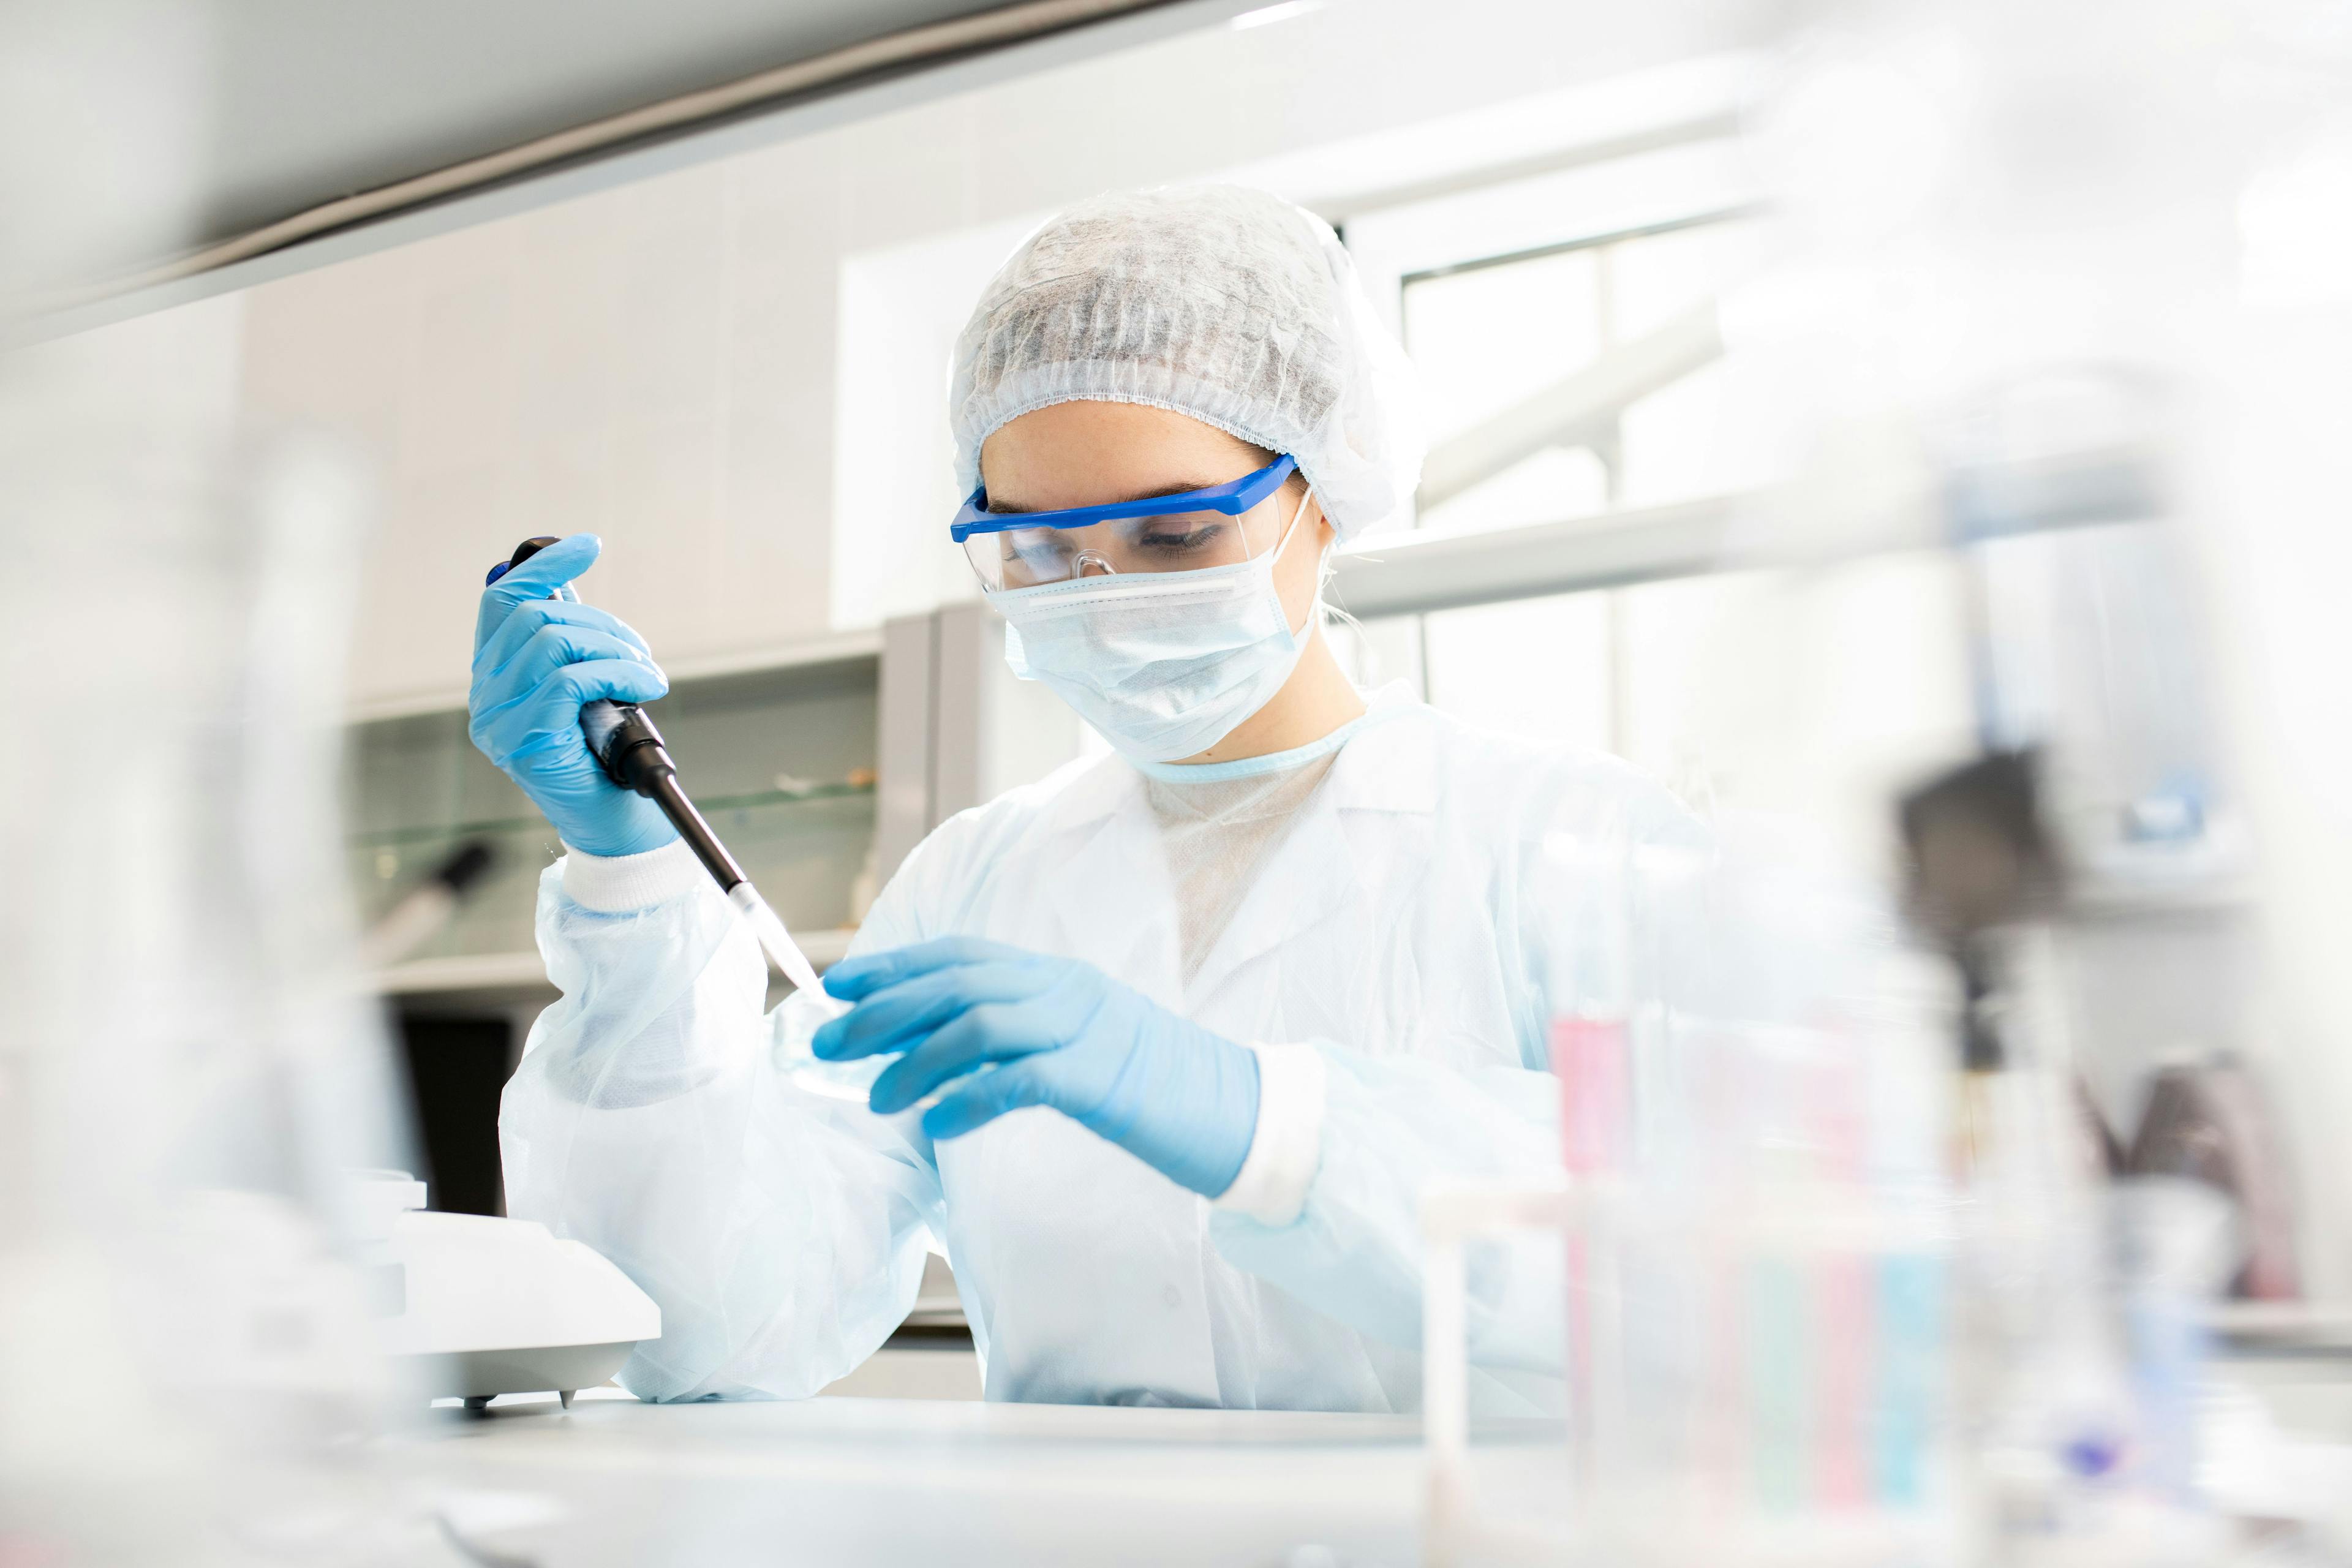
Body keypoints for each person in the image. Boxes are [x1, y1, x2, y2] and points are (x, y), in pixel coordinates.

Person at [472, 184, 1702, 1413]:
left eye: (1173, 536)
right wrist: (628, 879)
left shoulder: (1568, 845)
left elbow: (1724, 1264)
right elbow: (702, 1333)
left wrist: (1273, 1125)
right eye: (1043, 555)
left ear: (1324, 491)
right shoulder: (973, 883)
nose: (1106, 596)